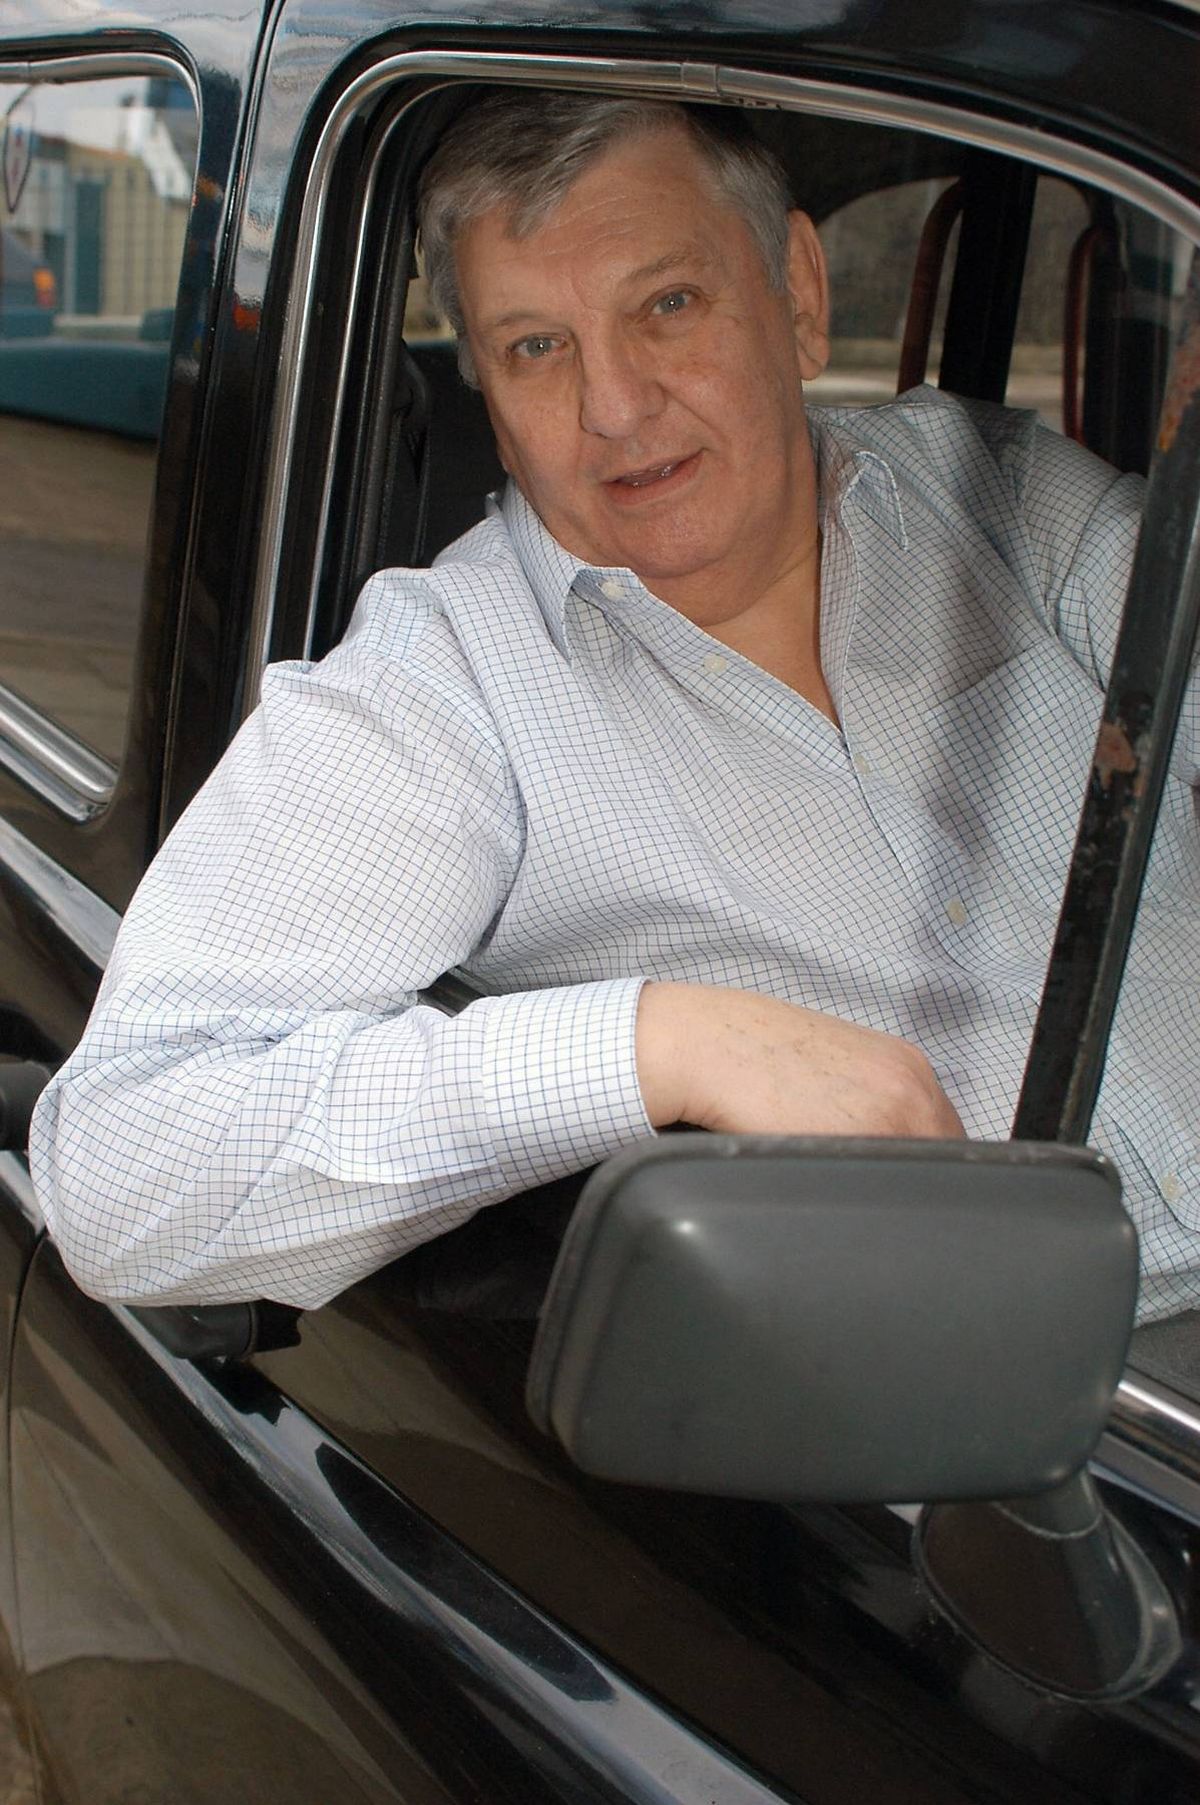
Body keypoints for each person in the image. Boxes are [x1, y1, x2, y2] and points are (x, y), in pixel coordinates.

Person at [29, 92, 1199, 1320]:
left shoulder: (995, 491)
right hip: (1065, 1434)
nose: (616, 407)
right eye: (536, 345)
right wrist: (661, 1045)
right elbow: (120, 1167)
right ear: (480, 376)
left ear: (799, 293)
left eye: (667, 306)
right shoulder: (450, 685)